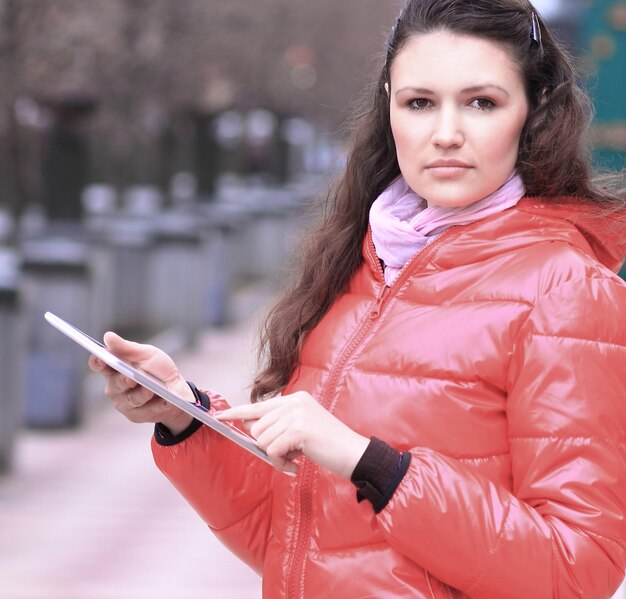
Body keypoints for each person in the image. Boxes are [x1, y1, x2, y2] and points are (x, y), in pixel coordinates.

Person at [89, 0, 626, 597]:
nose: (446, 133)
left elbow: (579, 569)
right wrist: (183, 418)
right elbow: (298, 540)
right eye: (419, 103)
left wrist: (376, 467)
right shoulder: (359, 264)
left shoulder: (566, 289)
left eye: (482, 102)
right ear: (390, 110)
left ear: (532, 114)